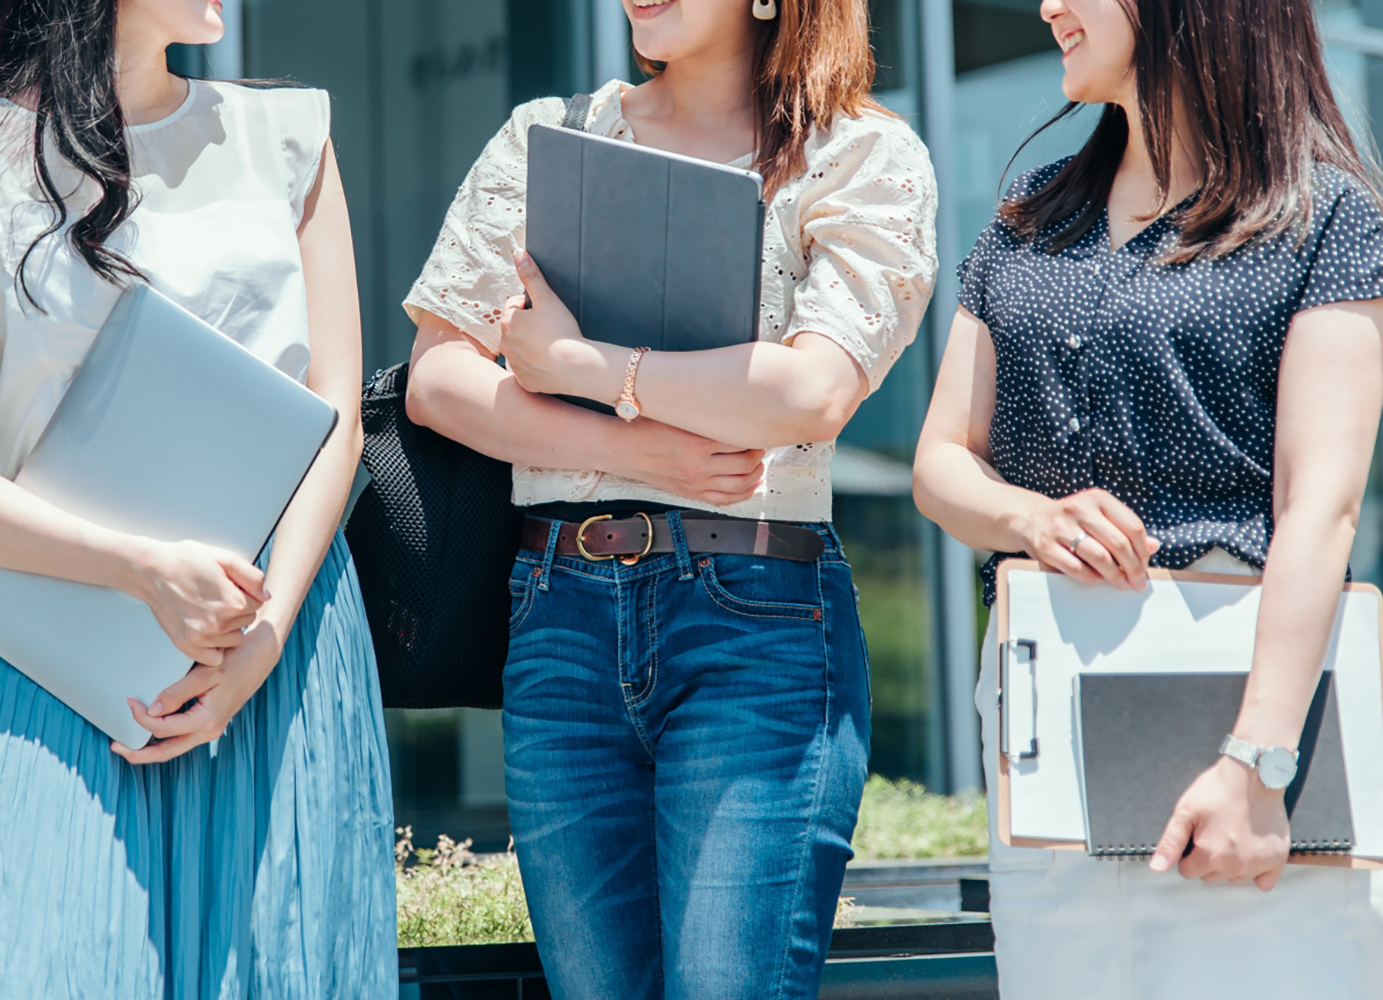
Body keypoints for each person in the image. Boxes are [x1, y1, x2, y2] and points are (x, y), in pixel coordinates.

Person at [402, 0, 936, 995]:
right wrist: (649, 450)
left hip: (756, 623)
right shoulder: (547, 136)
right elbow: (438, 380)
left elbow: (809, 391)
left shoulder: (858, 154)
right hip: (558, 619)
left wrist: (576, 361)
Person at [0, 1, 395, 996]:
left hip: (270, 649)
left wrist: (271, 630)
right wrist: (142, 568)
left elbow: (337, 410)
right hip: (58, 656)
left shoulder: (291, 135)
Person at [913, 0, 1383, 996]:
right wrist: (1030, 518)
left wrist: (1256, 763)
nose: (1047, 6)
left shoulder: (1329, 219)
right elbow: (941, 463)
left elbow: (1320, 509)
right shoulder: (1028, 217)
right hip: (1047, 736)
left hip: (1235, 721)